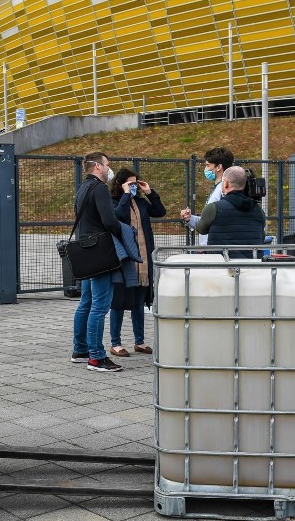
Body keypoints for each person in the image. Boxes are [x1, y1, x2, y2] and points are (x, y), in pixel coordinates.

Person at [70, 152, 124, 372]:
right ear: (98, 167)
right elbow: (109, 220)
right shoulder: (100, 188)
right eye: (107, 165)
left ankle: (80, 350)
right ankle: (96, 357)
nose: (109, 169)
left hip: (86, 250)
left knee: (86, 302)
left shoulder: (83, 187)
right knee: (100, 306)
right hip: (100, 252)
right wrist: (124, 233)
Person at [108, 168, 166, 358]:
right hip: (124, 258)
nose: (134, 187)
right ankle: (115, 343)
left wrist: (149, 192)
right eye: (130, 183)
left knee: (138, 302)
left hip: (143, 259)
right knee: (118, 301)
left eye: (135, 183)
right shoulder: (114, 201)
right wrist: (125, 195)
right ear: (121, 184)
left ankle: (139, 341)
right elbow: (118, 215)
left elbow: (160, 211)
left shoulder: (141, 202)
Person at [193, 166, 266, 258]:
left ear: (226, 183)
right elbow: (261, 237)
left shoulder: (213, 208)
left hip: (222, 266)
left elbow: (201, 229)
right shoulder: (259, 211)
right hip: (251, 266)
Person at [179, 147, 234, 245]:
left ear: (218, 167)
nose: (206, 169)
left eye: (208, 165)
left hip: (214, 249)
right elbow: (209, 220)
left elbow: (220, 223)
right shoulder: (218, 188)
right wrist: (190, 218)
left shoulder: (224, 190)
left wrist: (205, 245)